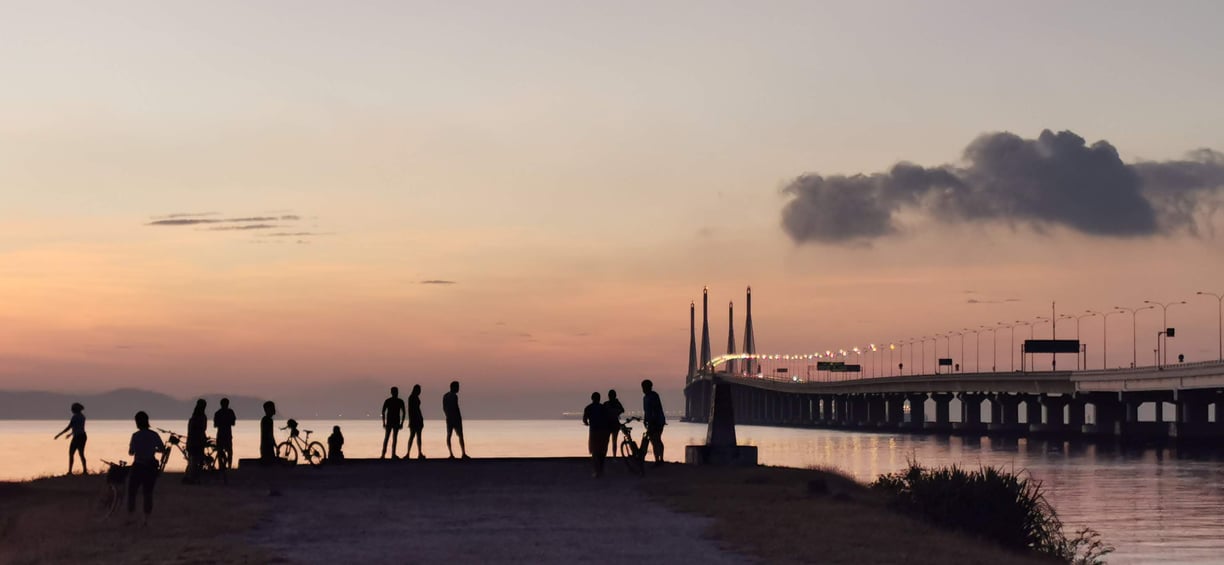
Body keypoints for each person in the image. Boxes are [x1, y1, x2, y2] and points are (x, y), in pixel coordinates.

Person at [127, 411, 165, 526]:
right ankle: (146, 519)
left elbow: (131, 452)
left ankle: (131, 516)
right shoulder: (154, 435)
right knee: (148, 493)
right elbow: (162, 449)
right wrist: (154, 450)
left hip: (138, 465)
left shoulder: (135, 436)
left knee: (132, 491)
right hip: (150, 466)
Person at [53, 402, 88, 475]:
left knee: (71, 453)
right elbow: (78, 428)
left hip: (77, 437)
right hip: (83, 436)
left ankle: (70, 471)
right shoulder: (82, 416)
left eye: (72, 409)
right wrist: (71, 434)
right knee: (81, 454)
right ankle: (85, 470)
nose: (71, 410)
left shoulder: (75, 417)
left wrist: (59, 435)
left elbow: (69, 427)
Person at [583, 392, 609, 478]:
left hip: (594, 431)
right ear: (599, 398)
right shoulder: (603, 408)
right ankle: (601, 469)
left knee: (595, 451)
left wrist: (588, 423)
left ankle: (597, 471)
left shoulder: (588, 408)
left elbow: (585, 420)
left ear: (592, 398)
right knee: (602, 451)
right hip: (603, 431)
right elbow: (607, 418)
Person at [641, 379, 666, 467]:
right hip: (652, 422)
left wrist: (653, 421)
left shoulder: (654, 396)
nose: (643, 389)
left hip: (658, 421)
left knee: (656, 439)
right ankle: (658, 459)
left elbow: (655, 409)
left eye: (644, 387)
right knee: (654, 440)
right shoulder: (645, 398)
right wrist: (645, 420)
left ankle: (660, 459)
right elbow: (646, 411)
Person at [442, 380, 469, 459]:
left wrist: (447, 415)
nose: (458, 388)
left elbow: (444, 408)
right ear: (453, 387)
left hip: (449, 418)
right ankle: (463, 453)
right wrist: (458, 417)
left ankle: (451, 454)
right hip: (455, 418)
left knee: (449, 435)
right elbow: (456, 408)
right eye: (457, 387)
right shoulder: (454, 396)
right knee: (460, 435)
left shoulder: (445, 395)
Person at [185, 399, 207, 483]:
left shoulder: (193, 417)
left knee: (192, 460)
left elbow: (190, 431)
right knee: (198, 460)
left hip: (192, 441)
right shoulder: (202, 417)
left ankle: (191, 476)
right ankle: (195, 477)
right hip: (199, 441)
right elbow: (203, 429)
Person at [381, 387, 406, 459]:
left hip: (393, 421)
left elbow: (383, 411)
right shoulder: (397, 401)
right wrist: (384, 422)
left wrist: (402, 423)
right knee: (390, 438)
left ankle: (390, 454)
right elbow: (403, 412)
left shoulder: (391, 401)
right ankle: (387, 454)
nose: (396, 393)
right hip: (392, 421)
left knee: (390, 438)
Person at [213, 398, 236, 470]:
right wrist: (226, 421)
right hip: (224, 435)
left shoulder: (218, 413)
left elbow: (215, 425)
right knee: (225, 452)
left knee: (225, 452)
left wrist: (223, 422)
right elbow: (233, 423)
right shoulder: (229, 412)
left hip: (223, 435)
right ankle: (226, 466)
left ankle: (226, 466)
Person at [603, 389, 625, 457]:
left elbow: (622, 410)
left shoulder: (607, 404)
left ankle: (611, 456)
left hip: (611, 424)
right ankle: (613, 456)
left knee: (609, 441)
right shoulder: (611, 403)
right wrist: (616, 412)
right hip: (611, 424)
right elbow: (622, 410)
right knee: (611, 441)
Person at [407, 384, 425, 460]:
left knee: (417, 437)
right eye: (419, 390)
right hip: (415, 419)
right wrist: (411, 419)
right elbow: (411, 410)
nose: (420, 392)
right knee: (413, 436)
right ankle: (409, 453)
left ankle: (419, 453)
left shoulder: (414, 397)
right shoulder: (412, 398)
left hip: (417, 419)